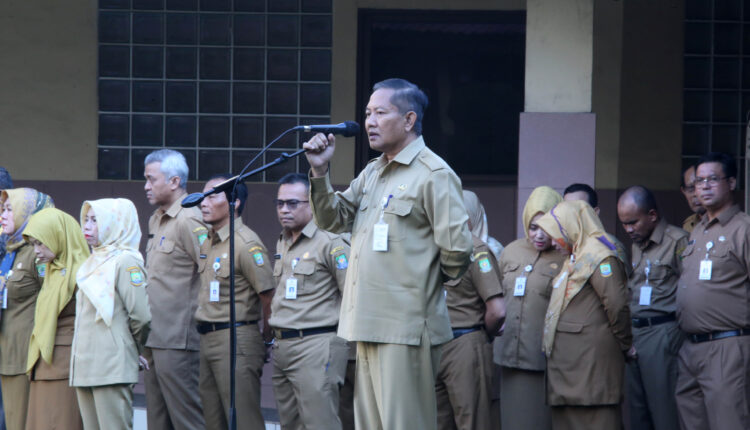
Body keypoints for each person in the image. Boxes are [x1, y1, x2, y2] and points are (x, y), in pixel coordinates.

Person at [303, 78, 473, 429]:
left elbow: (457, 250)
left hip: (406, 326)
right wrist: (319, 171)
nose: (370, 122)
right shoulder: (374, 171)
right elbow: (334, 219)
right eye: (368, 113)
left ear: (409, 120)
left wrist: (419, 283)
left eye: (380, 113)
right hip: (367, 321)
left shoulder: (434, 174)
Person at [536, 200, 633, 430]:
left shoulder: (599, 255)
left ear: (572, 227)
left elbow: (616, 304)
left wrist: (626, 343)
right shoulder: (576, 254)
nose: (553, 242)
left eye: (557, 234)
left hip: (590, 369)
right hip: (572, 370)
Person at [269, 173, 351, 429]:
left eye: (293, 203)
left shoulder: (331, 241)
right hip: (283, 345)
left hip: (316, 344)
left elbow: (352, 295)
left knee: (320, 423)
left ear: (312, 203)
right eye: (280, 203)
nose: (284, 209)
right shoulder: (283, 240)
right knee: (290, 424)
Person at [675, 152, 750, 430]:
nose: (704, 187)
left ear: (731, 182)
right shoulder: (698, 230)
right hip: (690, 347)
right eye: (698, 181)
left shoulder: (743, 229)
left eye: (712, 180)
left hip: (727, 346)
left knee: (728, 422)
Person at [196, 174, 275, 429]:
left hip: (236, 338)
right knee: (213, 420)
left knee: (244, 420)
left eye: (212, 196)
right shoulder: (209, 241)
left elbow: (268, 296)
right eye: (203, 197)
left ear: (235, 202)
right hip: (208, 338)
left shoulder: (245, 243)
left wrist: (266, 338)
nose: (203, 203)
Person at [71, 198, 152, 430]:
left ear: (115, 223)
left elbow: (141, 317)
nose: (87, 226)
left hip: (111, 367)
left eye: (95, 220)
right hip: (85, 365)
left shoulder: (126, 261)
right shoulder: (93, 260)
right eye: (86, 219)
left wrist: (131, 349)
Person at [142, 149, 207, 430]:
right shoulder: (157, 218)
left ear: (174, 181)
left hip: (179, 340)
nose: (146, 186)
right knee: (158, 420)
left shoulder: (190, 219)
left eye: (151, 179)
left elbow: (210, 273)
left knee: (187, 420)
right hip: (155, 336)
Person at [617, 186, 687, 430]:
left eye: (633, 222)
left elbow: (691, 291)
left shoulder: (677, 240)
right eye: (624, 224)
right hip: (636, 333)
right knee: (638, 412)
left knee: (663, 410)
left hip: (662, 333)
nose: (628, 230)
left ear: (653, 215)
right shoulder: (637, 244)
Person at [435, 190, 505, 430]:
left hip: (456, 345)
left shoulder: (476, 251)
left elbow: (497, 310)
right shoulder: (438, 247)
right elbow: (497, 312)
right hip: (452, 344)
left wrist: (481, 335)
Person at [497, 186, 565, 430]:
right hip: (508, 356)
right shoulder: (511, 251)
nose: (539, 235)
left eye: (546, 227)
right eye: (534, 227)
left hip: (543, 359)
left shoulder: (565, 256)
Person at [22, 207, 89, 430]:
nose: (36, 251)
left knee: (62, 421)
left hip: (65, 366)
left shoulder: (83, 273)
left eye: (41, 243)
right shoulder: (51, 270)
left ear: (58, 236)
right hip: (43, 362)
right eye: (33, 244)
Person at [0, 189, 53, 430]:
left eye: (10, 209)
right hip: (7, 351)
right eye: (3, 209)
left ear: (27, 213)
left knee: (20, 422)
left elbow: (51, 298)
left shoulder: (36, 253)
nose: (3, 215)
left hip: (23, 356)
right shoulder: (13, 250)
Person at [563, 183, 631, 272]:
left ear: (595, 212)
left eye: (578, 209)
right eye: (567, 210)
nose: (571, 215)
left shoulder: (609, 246)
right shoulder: (562, 245)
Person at [680, 165, 705, 233]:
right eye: (691, 188)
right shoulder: (688, 225)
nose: (696, 194)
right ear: (683, 191)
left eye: (700, 186)